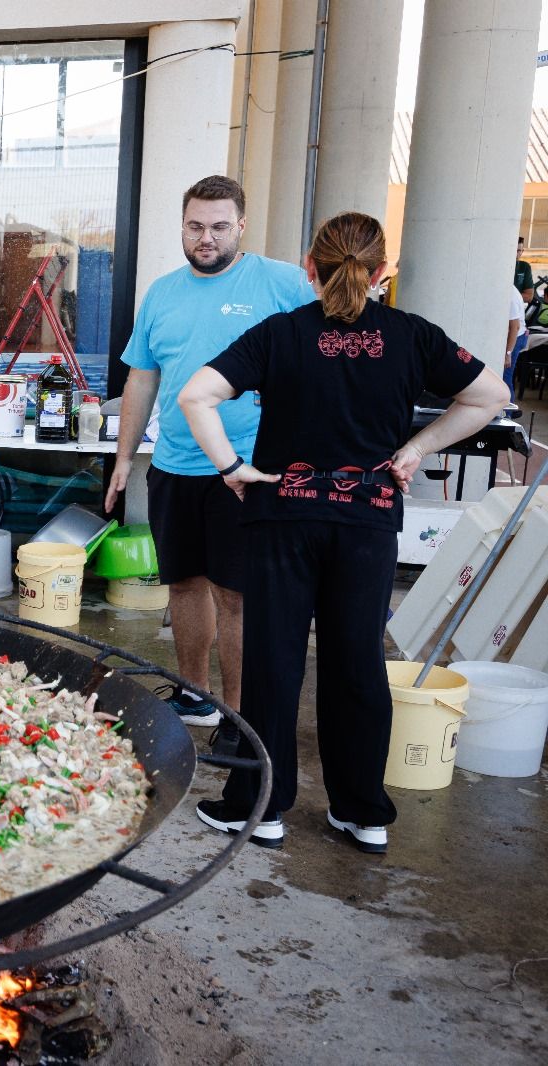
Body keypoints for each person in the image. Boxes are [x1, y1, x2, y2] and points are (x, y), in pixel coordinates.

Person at [179, 211, 510, 853]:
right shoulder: (412, 335)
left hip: (284, 516)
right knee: (356, 661)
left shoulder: (280, 332)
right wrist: (416, 450)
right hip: (367, 521)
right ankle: (363, 812)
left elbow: (196, 396)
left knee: (274, 662)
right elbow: (489, 394)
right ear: (382, 272)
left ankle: (263, 809)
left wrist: (232, 468)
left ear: (310, 269)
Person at [106, 175, 316, 729]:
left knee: (237, 596)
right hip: (174, 463)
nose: (207, 238)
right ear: (182, 224)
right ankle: (195, 692)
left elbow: (323, 352)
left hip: (247, 468)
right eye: (196, 226)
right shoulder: (162, 292)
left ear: (240, 227)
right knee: (184, 584)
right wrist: (126, 457)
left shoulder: (284, 283)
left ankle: (239, 715)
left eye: (220, 227)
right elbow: (142, 380)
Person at [506, 282, 526, 395]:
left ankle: (508, 413)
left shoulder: (511, 295)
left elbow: (515, 327)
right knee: (504, 377)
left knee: (505, 378)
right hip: (516, 335)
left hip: (516, 337)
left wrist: (508, 354)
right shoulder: (510, 290)